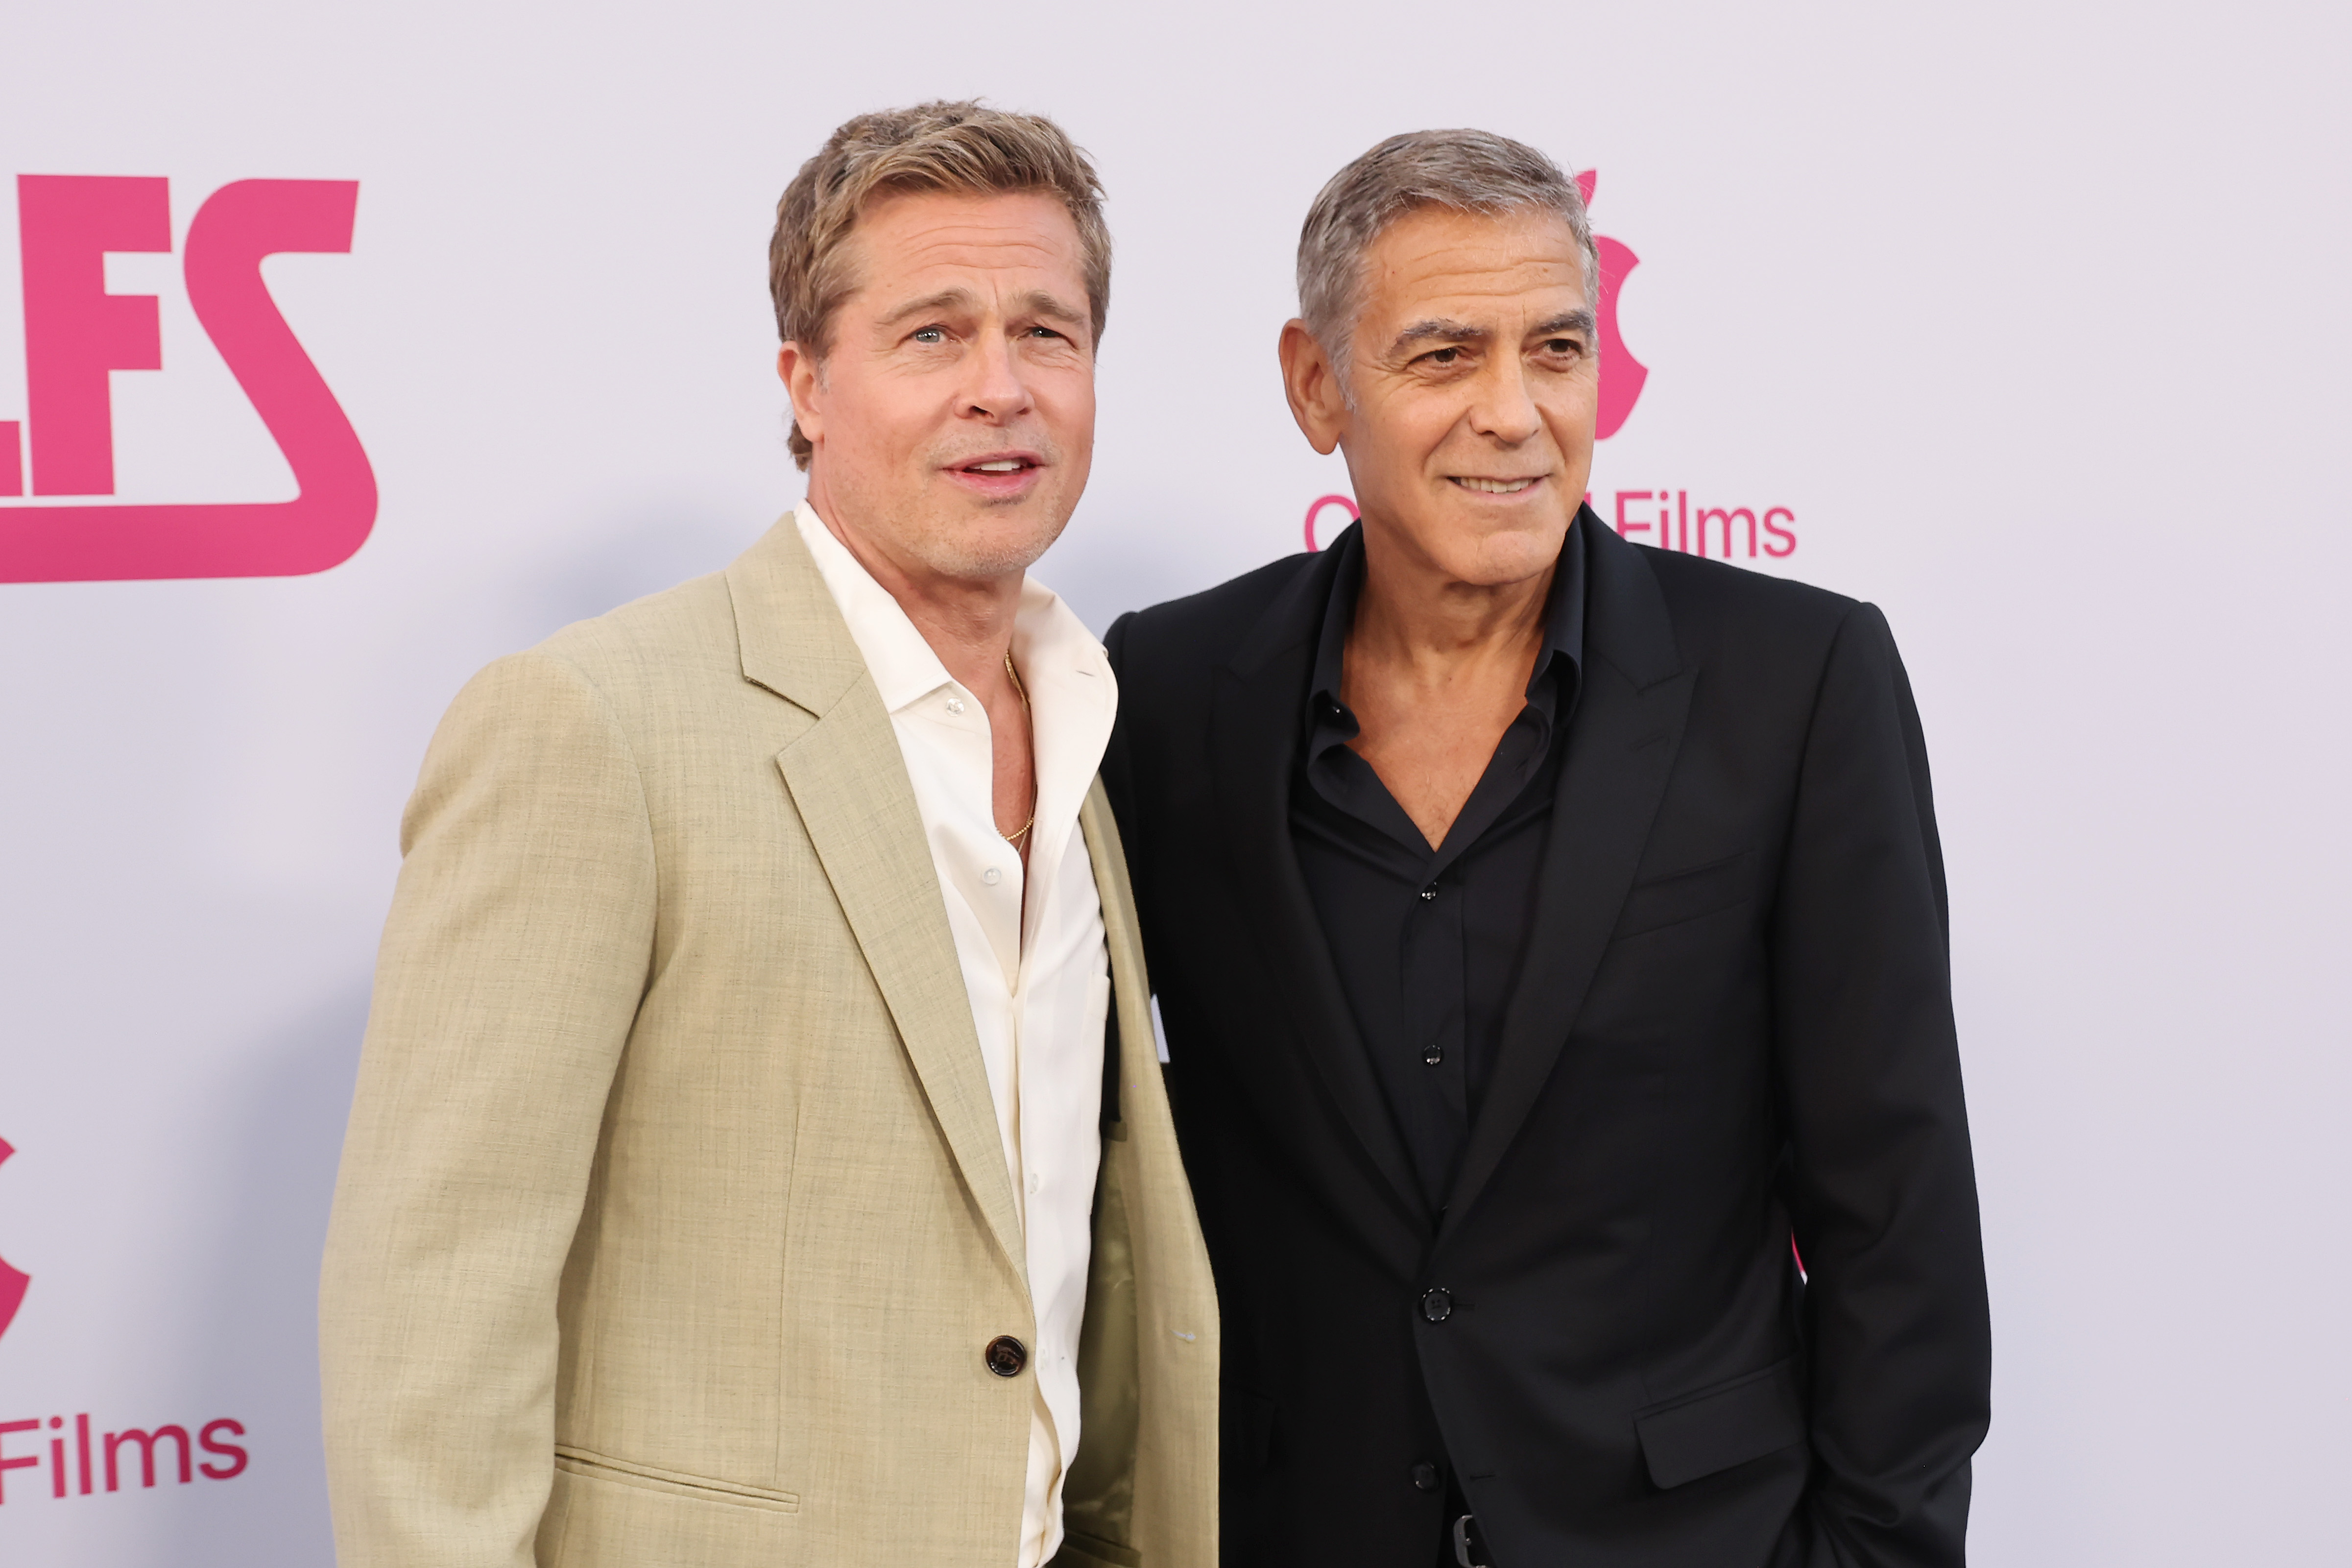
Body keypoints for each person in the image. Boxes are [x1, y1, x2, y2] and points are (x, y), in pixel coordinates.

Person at [320, 101, 1216, 1568]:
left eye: (1046, 333)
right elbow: (431, 1297)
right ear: (805, 382)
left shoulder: (1090, 723)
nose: (1003, 387)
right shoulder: (590, 724)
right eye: (933, 333)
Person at [1100, 130, 1989, 1567]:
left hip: (1693, 1535)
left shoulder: (1795, 679)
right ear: (1315, 382)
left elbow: (1896, 1206)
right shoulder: (1168, 688)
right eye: (1444, 355)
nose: (1513, 414)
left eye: (1556, 350)